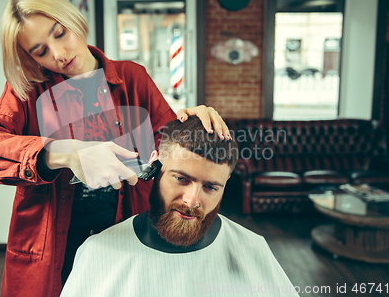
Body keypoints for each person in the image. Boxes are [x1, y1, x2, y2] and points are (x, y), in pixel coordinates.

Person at [0, 0, 231, 297]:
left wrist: (193, 121)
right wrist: (60, 152)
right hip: (54, 248)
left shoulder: (134, 79)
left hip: (123, 236)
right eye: (40, 51)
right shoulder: (27, 92)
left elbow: (169, 147)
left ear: (73, 20)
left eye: (60, 33)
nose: (59, 54)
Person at [60, 117, 299, 297]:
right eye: (181, 179)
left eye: (210, 187)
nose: (192, 200)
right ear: (154, 167)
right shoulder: (97, 253)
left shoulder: (252, 249)